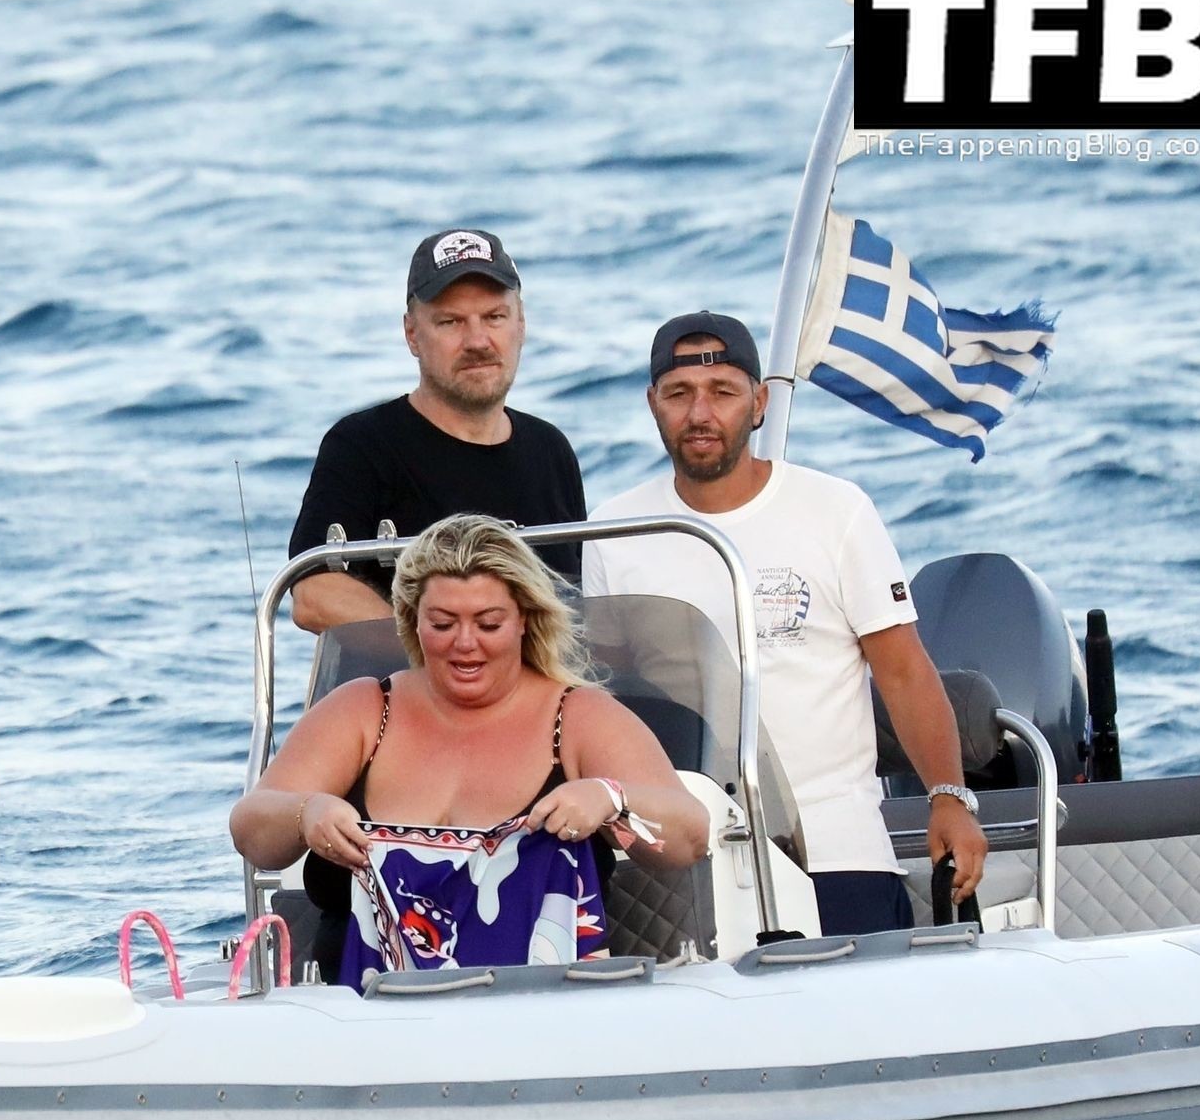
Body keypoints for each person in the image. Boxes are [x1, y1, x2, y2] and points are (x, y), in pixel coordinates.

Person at [582, 312, 989, 935]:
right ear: (652, 404)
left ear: (760, 403)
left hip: (838, 849)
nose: (700, 414)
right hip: (689, 854)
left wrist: (950, 799)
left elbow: (905, 672)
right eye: (679, 393)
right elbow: (609, 701)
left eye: (723, 392)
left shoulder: (837, 511)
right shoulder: (615, 530)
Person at [234, 514, 709, 988]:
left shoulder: (581, 716)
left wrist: (611, 799)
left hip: (544, 1010)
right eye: (443, 624)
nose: (465, 643)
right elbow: (251, 829)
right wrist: (306, 813)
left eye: (488, 623)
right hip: (364, 1013)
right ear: (413, 622)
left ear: (524, 620)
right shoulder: (363, 710)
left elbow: (689, 837)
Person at [287, 228, 586, 634]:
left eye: (494, 317)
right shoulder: (361, 446)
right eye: (451, 322)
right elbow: (314, 594)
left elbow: (577, 604)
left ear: (521, 324)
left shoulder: (551, 450)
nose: (477, 340)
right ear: (412, 334)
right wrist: (441, 652)